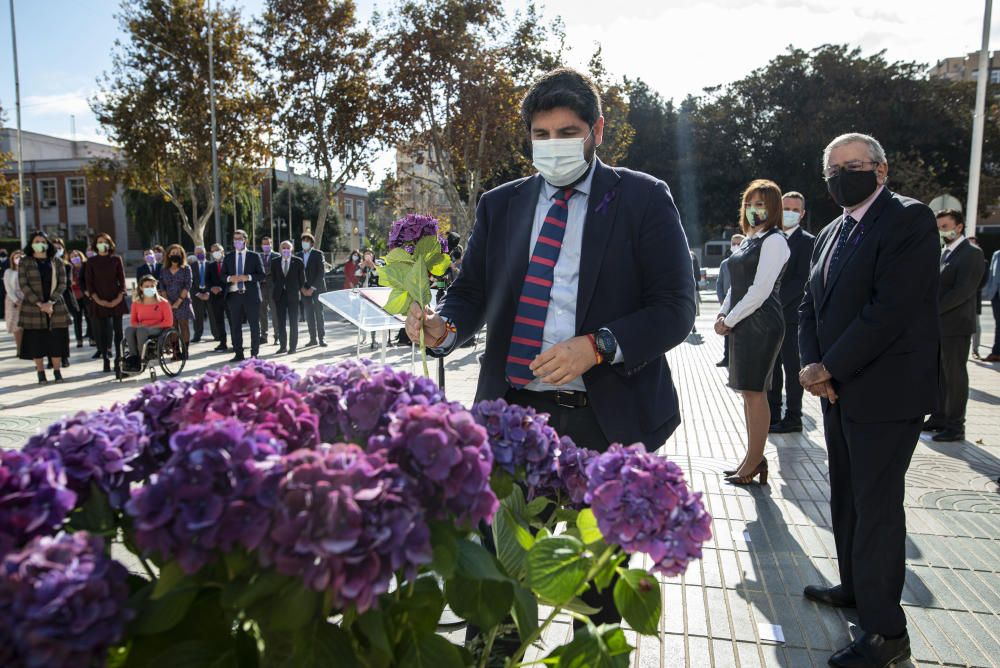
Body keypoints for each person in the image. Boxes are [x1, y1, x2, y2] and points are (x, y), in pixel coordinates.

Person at [405, 68, 695, 629]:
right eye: (542, 134)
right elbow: (471, 292)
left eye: (569, 132)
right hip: (516, 422)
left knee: (601, 597)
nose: (554, 145)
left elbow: (675, 308)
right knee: (499, 587)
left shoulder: (642, 199)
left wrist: (599, 345)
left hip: (604, 421)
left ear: (597, 132)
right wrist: (444, 328)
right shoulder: (500, 204)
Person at [798, 133, 939, 668]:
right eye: (833, 168)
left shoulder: (909, 220)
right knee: (846, 498)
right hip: (836, 392)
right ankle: (856, 587)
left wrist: (828, 366)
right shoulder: (832, 231)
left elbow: (890, 309)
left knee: (876, 509)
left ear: (881, 169)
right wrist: (814, 369)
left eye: (853, 165)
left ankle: (887, 633)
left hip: (886, 393)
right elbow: (808, 306)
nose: (842, 175)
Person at [714, 179, 790, 485]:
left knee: (756, 394)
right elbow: (736, 285)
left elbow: (760, 291)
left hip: (762, 324)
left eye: (760, 204)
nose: (753, 209)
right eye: (749, 203)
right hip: (743, 322)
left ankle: (755, 461)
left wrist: (729, 320)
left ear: (773, 208)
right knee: (748, 394)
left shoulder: (775, 241)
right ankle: (750, 458)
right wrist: (722, 313)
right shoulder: (750, 239)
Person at [920, 210, 984, 442]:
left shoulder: (971, 254)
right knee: (940, 374)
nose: (942, 231)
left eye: (945, 226)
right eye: (939, 227)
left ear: (959, 227)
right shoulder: (945, 253)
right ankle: (939, 416)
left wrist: (932, 311)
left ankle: (956, 425)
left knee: (955, 376)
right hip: (939, 326)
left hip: (956, 326)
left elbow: (962, 292)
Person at [767, 192, 815, 433]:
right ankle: (773, 414)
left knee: (792, 369)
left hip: (792, 318)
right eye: (786, 208)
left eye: (796, 210)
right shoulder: (770, 238)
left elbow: (801, 281)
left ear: (802, 214)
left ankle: (793, 416)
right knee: (772, 369)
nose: (790, 213)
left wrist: (771, 301)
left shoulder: (808, 242)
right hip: (769, 319)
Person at [18, 231, 70, 384]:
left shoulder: (56, 261)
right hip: (33, 308)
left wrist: (51, 302)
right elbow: (23, 284)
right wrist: (40, 304)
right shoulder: (25, 261)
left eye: (42, 241)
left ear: (47, 244)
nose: (39, 243)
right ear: (31, 243)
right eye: (36, 241)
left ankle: (57, 371)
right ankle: (40, 373)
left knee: (56, 339)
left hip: (56, 306)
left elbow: (62, 283)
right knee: (36, 341)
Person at [84, 232, 128, 372]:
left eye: (105, 241)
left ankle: (118, 359)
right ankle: (105, 359)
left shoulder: (116, 259)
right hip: (98, 301)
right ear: (95, 245)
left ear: (110, 244)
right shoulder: (91, 262)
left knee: (118, 332)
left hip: (116, 299)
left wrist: (118, 299)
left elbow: (122, 281)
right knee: (101, 332)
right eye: (99, 241)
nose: (102, 244)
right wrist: (99, 301)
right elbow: (89, 284)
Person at [222, 229, 265, 361]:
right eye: (235, 240)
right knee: (235, 326)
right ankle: (238, 353)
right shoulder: (228, 257)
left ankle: (254, 354)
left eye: (239, 239)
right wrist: (230, 278)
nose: (237, 242)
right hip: (234, 296)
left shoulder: (254, 256)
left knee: (254, 326)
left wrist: (249, 277)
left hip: (250, 296)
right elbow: (222, 276)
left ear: (245, 240)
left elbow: (262, 275)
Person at [124, 275, 174, 370]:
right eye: (147, 286)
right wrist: (140, 325)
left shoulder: (163, 303)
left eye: (152, 286)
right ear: (141, 288)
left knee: (141, 331)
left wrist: (151, 326)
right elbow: (133, 321)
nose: (150, 288)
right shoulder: (136, 303)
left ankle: (142, 357)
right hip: (142, 327)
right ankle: (133, 357)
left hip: (158, 328)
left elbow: (169, 322)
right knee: (129, 330)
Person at [714, 234, 745, 367]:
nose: (736, 246)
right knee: (727, 333)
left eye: (739, 243)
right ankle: (727, 358)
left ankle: (738, 360)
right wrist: (722, 302)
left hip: (742, 303)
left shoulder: (746, 261)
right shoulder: (725, 263)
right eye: (734, 243)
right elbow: (719, 283)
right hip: (727, 303)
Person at [159, 244, 194, 359]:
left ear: (182, 255)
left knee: (184, 325)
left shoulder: (186, 268)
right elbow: (162, 286)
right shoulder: (164, 270)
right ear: (168, 255)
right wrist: (167, 302)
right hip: (168, 301)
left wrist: (179, 301)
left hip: (182, 301)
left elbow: (188, 285)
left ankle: (185, 350)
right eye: (173, 253)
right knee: (172, 327)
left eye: (178, 253)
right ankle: (176, 351)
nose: (175, 255)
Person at [271, 240, 305, 354]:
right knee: (281, 322)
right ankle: (283, 346)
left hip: (293, 295)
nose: (285, 250)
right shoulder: (275, 262)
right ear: (280, 250)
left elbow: (302, 280)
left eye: (287, 248)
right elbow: (274, 278)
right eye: (283, 248)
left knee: (293, 322)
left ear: (292, 249)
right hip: (279, 295)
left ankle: (293, 347)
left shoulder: (298, 261)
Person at [50, 238, 78, 368]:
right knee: (49, 332)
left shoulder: (67, 265)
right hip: (48, 301)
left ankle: (65, 357)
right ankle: (51, 358)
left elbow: (66, 283)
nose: (57, 250)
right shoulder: (46, 264)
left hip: (63, 300)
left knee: (63, 332)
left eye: (59, 247)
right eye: (54, 247)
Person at [299, 232, 326, 347]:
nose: (304, 243)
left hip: (317, 288)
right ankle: (312, 339)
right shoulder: (298, 255)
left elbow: (321, 273)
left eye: (307, 241)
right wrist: (302, 288)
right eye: (303, 241)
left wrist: (312, 288)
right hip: (304, 289)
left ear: (311, 243)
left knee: (319, 313)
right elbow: (297, 273)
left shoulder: (318, 254)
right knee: (309, 314)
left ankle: (321, 338)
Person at [967, 237, 988, 359]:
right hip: (959, 300)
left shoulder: (983, 262)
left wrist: (968, 291)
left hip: (974, 299)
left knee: (976, 326)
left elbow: (983, 281)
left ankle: (975, 349)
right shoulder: (959, 260)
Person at [207, 243, 229, 352]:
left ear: (222, 251)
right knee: (218, 321)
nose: (215, 252)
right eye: (213, 251)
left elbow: (231, 278)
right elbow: (207, 280)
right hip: (215, 298)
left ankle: (236, 343)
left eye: (217, 250)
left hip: (228, 296)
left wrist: (222, 288)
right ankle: (222, 342)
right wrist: (211, 288)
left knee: (232, 320)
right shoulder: (210, 266)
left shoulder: (230, 263)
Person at [67, 250, 91, 348]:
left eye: (77, 256)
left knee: (89, 318)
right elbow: (69, 282)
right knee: (77, 319)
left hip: (85, 295)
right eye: (72, 256)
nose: (75, 258)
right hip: (74, 297)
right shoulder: (69, 268)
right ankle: (79, 340)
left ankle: (91, 337)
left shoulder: (86, 267)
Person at [258, 237, 277, 345]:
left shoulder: (276, 256)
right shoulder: (259, 256)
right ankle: (263, 336)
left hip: (273, 289)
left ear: (271, 244)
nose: (266, 246)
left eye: (268, 244)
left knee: (275, 313)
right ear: (261, 245)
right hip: (261, 288)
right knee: (262, 313)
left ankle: (277, 335)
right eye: (264, 244)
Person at [190, 245, 211, 343]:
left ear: (205, 252)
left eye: (201, 252)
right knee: (197, 317)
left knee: (213, 316)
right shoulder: (191, 267)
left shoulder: (211, 265)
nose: (199, 254)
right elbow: (190, 282)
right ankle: (197, 335)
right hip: (196, 294)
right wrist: (197, 293)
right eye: (197, 253)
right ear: (194, 254)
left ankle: (217, 335)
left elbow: (213, 280)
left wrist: (207, 292)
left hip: (209, 294)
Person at [4, 250, 24, 354]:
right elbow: (8, 288)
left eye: (21, 257)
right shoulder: (8, 272)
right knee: (17, 327)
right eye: (16, 257)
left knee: (26, 327)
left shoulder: (27, 271)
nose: (18, 259)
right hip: (13, 301)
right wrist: (17, 301)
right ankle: (19, 349)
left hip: (26, 300)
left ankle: (27, 349)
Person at [984, 246, 1000, 362]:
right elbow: (991, 273)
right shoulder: (996, 254)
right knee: (998, 325)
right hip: (996, 295)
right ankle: (997, 353)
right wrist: (989, 291)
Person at [690, 250, 701, 331]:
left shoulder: (677, 253)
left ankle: (692, 325)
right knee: (693, 306)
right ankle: (692, 325)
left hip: (683, 285)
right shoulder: (693, 255)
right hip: (693, 284)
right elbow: (698, 273)